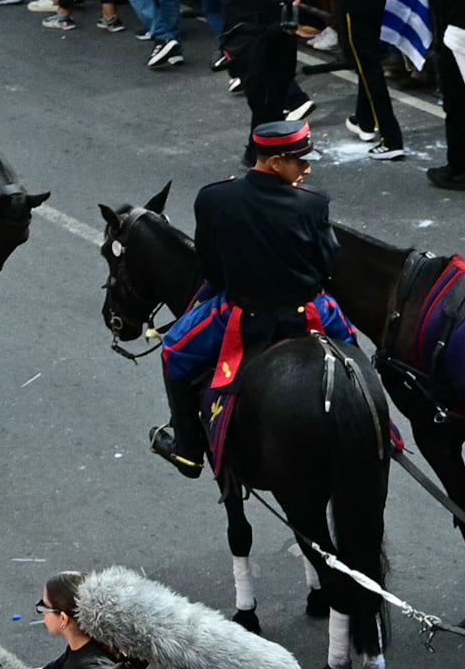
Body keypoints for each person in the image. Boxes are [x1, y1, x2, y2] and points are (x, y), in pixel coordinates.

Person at [149, 118, 351, 481]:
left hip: (241, 314)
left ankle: (188, 450)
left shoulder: (214, 198)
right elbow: (328, 264)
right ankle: (385, 430)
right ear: (275, 163)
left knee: (173, 351)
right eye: (300, 161)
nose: (307, 169)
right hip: (308, 311)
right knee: (352, 350)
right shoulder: (313, 203)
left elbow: (211, 269)